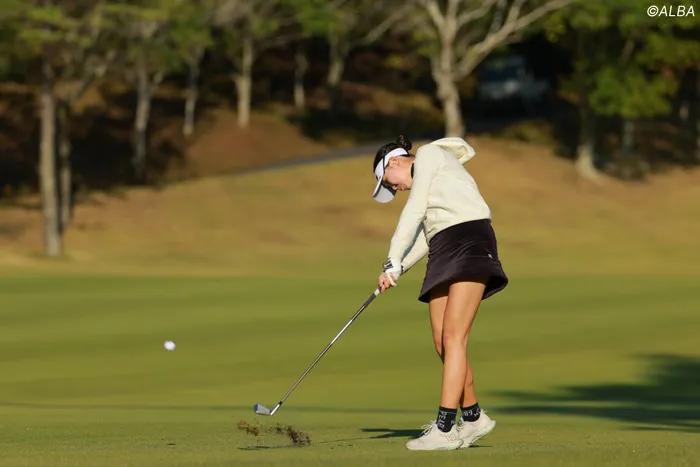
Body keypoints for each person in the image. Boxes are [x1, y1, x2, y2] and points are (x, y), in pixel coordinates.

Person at [372, 135, 508, 451]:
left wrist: (393, 256)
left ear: (395, 162)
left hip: (470, 240)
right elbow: (425, 235)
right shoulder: (430, 179)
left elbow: (415, 209)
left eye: (389, 182)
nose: (395, 189)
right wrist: (396, 269)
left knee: (454, 337)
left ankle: (445, 427)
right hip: (442, 247)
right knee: (442, 341)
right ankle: (473, 417)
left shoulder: (429, 155)